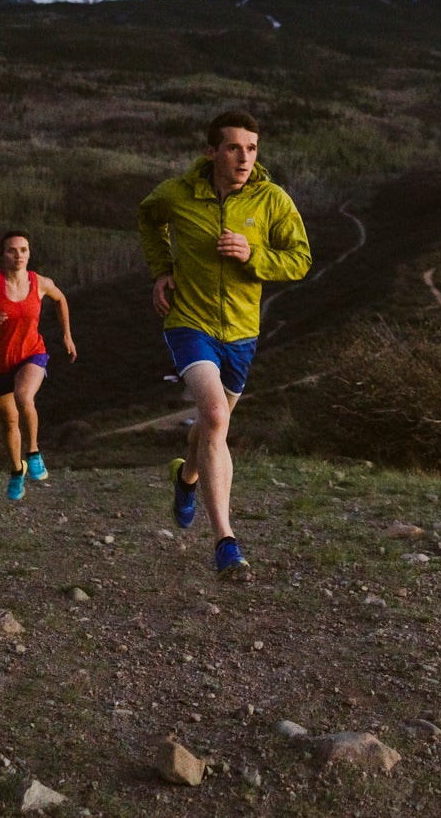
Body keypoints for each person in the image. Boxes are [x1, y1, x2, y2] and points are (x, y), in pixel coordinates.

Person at [137, 109, 311, 580]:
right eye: (234, 148)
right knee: (215, 415)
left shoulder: (272, 199)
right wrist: (161, 271)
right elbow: (148, 218)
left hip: (242, 331)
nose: (244, 158)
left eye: (252, 148)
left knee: (212, 426)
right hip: (189, 322)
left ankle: (187, 477)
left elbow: (300, 259)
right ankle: (225, 543)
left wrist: (254, 255)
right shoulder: (177, 194)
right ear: (211, 152)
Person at [0, 231, 78, 501]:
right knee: (9, 422)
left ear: (29, 253)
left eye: (23, 249)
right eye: (12, 250)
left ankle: (34, 453)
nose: (18, 255)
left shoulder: (40, 282)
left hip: (32, 354)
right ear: (2, 254)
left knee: (24, 396)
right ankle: (17, 471)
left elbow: (61, 299)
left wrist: (67, 335)